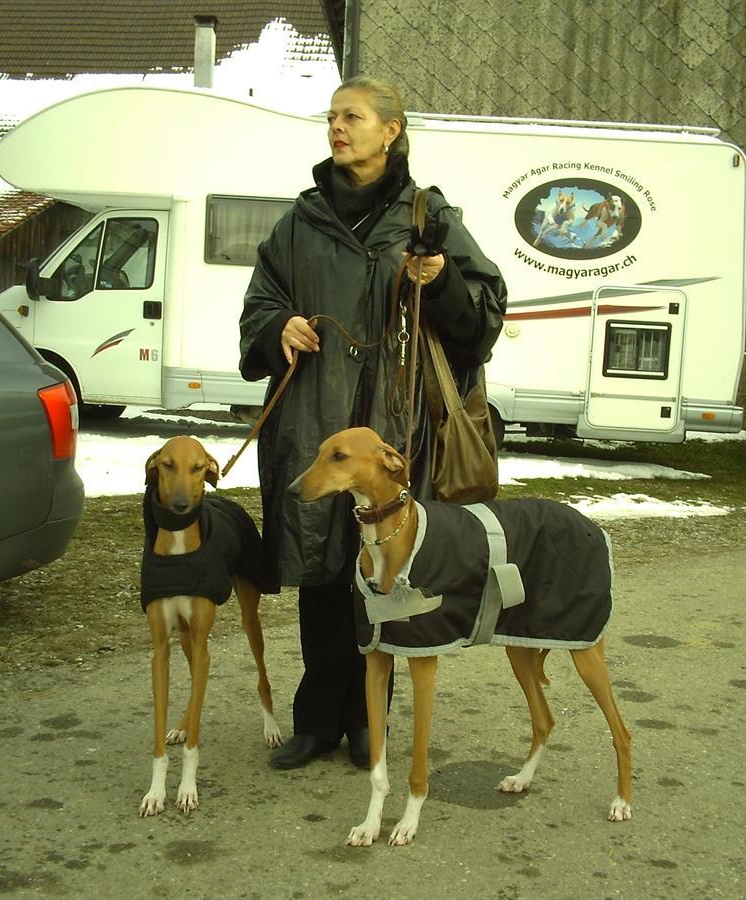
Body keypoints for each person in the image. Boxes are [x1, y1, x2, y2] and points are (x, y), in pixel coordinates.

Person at [238, 76, 506, 770]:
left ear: (391, 130)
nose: (337, 127)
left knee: (386, 574)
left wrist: (439, 280)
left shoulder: (426, 214)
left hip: (396, 426)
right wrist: (280, 329)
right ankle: (317, 721)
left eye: (351, 117)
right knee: (322, 575)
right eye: (331, 117)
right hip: (315, 422)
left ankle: (368, 722)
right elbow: (259, 303)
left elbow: (482, 320)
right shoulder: (299, 222)